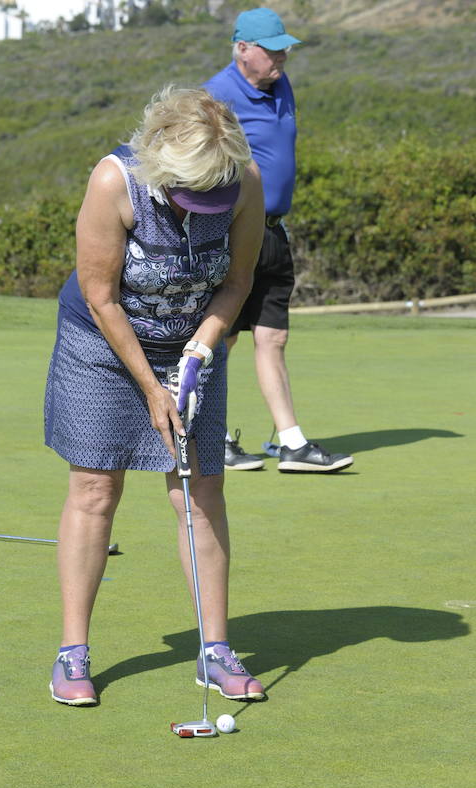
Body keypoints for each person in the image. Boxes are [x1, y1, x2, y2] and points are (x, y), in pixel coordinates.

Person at [44, 86, 267, 707]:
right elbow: (101, 294)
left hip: (195, 340)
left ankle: (215, 650)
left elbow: (240, 278)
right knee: (95, 488)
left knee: (199, 490)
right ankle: (72, 653)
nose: (206, 207)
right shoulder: (115, 181)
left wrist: (202, 348)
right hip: (103, 347)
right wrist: (151, 387)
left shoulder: (244, 179)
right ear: (161, 168)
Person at [205, 7, 354, 473]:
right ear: (242, 49)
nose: (281, 57)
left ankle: (291, 444)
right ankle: (215, 438)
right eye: (272, 50)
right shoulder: (216, 95)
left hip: (273, 232)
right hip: (231, 234)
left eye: (284, 49)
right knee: (222, 339)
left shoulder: (280, 84)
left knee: (273, 336)